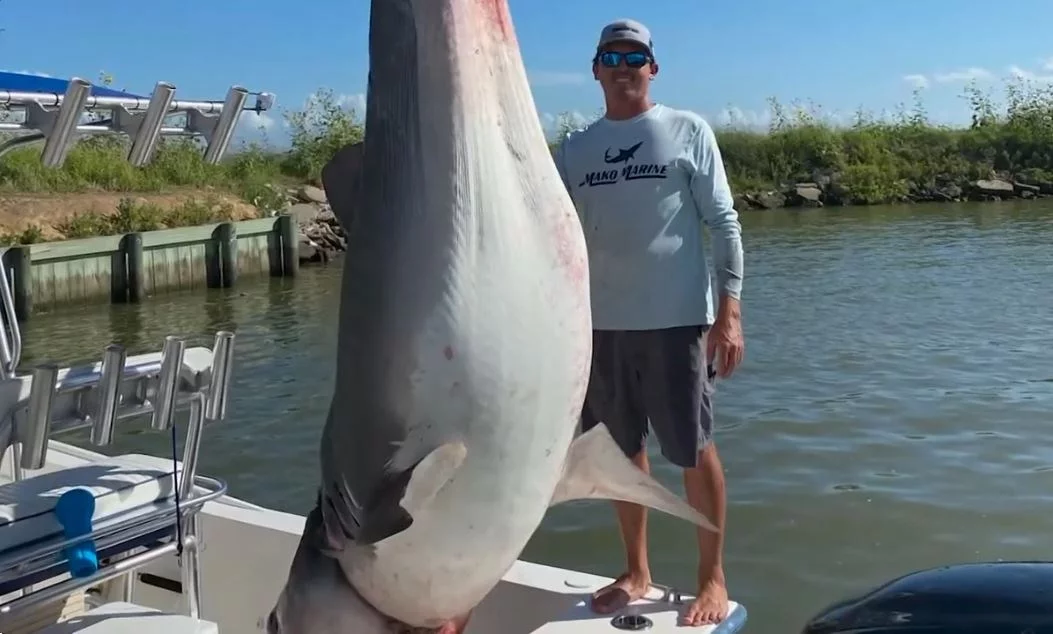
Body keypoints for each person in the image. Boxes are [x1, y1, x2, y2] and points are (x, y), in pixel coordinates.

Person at [550, 18, 745, 628]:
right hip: (601, 329)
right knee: (618, 454)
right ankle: (637, 569)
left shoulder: (688, 131)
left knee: (693, 450)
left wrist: (730, 312)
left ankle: (711, 575)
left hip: (678, 322)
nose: (624, 65)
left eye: (636, 55)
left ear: (652, 67)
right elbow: (549, 235)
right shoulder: (575, 149)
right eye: (612, 55)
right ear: (596, 69)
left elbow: (725, 221)